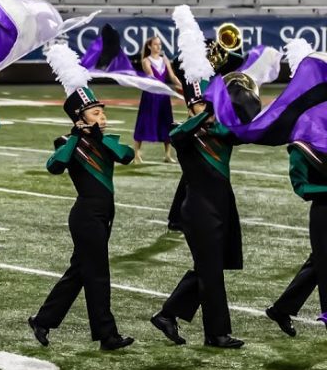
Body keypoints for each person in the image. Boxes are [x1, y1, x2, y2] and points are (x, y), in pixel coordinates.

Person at [28, 47, 135, 350]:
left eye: (103, 111)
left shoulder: (108, 142)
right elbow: (54, 166)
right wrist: (77, 136)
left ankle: (43, 320)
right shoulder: (69, 143)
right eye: (96, 112)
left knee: (80, 272)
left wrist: (98, 135)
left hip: (105, 214)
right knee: (98, 274)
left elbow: (125, 156)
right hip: (86, 214)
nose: (103, 116)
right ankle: (107, 335)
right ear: (80, 116)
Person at [151, 79, 245, 349]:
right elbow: (178, 136)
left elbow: (241, 133)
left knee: (208, 268)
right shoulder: (183, 132)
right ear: (190, 107)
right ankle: (216, 334)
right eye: (199, 104)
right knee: (211, 271)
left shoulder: (221, 131)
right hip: (199, 210)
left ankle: (167, 314)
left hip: (224, 206)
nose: (206, 109)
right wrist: (205, 110)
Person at [266, 141, 327, 336]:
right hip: (323, 213)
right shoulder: (300, 148)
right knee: (324, 266)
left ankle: (281, 309)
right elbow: (301, 187)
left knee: (318, 263)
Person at [133, 36, 183, 164]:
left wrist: (181, 86)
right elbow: (151, 77)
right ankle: (137, 153)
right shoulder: (146, 61)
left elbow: (172, 76)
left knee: (167, 123)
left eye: (159, 44)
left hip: (163, 96)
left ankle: (167, 154)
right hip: (151, 95)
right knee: (144, 121)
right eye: (155, 44)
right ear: (149, 46)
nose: (158, 47)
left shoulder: (165, 60)